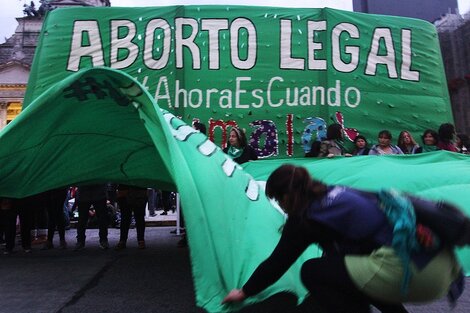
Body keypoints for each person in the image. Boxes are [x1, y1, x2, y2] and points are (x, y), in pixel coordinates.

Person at [222, 164, 462, 313]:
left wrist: (244, 292)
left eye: (278, 199)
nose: (281, 207)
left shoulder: (306, 217)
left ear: (286, 196)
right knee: (349, 270)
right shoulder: (339, 193)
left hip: (415, 273)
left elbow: (278, 262)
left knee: (313, 271)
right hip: (444, 267)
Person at [74, 184, 109, 250]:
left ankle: (80, 241)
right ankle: (103, 240)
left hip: (92, 192)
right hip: (91, 192)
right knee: (83, 219)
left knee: (83, 219)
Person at [115, 185, 148, 250]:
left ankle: (123, 241)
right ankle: (140, 240)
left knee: (131, 217)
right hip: (134, 190)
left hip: (132, 190)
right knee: (133, 217)